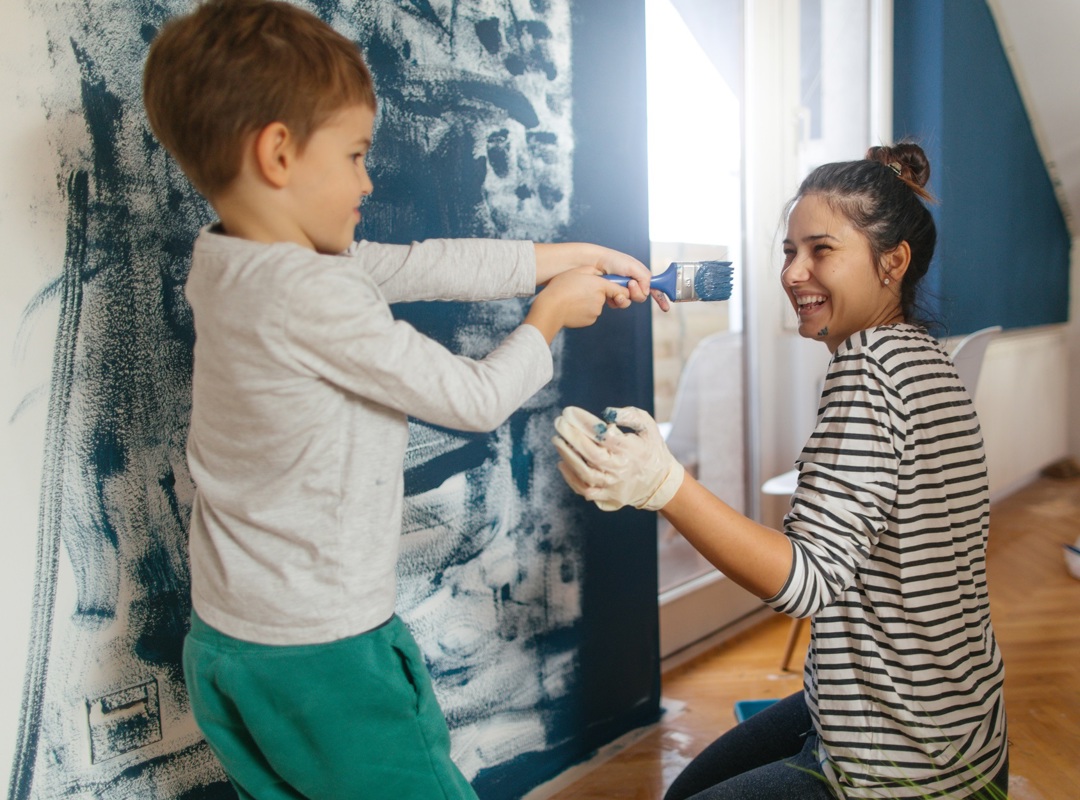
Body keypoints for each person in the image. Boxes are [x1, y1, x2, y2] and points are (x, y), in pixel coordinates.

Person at [141, 1, 661, 797]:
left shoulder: (231, 262)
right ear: (279, 153)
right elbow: (476, 395)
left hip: (230, 642)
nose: (367, 179)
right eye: (353, 155)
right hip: (322, 654)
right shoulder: (313, 295)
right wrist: (548, 317)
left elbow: (424, 265)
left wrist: (571, 256)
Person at [553, 143, 1009, 799]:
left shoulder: (867, 370)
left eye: (820, 250)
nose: (794, 273)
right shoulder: (926, 358)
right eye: (789, 252)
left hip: (902, 763)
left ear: (893, 262)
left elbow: (807, 582)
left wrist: (664, 486)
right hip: (962, 725)